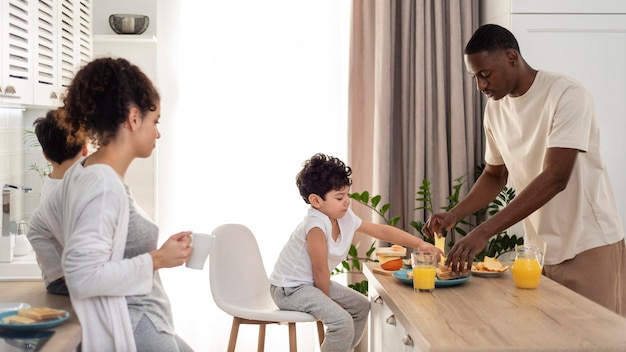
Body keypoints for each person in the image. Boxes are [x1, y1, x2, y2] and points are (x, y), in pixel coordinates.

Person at [423, 24, 626, 316]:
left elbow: (556, 177)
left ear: (512, 57)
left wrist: (484, 231)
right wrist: (455, 215)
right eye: (474, 77)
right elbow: (495, 175)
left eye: (484, 74)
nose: (480, 86)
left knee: (599, 342)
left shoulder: (567, 95)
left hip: (589, 245)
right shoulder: (495, 109)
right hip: (539, 251)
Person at [28, 57, 194, 351]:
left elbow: (39, 224)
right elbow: (82, 276)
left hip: (143, 322)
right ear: (133, 117)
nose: (158, 133)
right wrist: (158, 259)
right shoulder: (102, 184)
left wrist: (58, 279)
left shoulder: (81, 171)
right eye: (155, 121)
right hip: (134, 328)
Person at [270, 153, 442, 352]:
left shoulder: (344, 217)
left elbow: (381, 230)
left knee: (361, 306)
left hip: (310, 284)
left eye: (347, 195)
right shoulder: (315, 225)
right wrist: (328, 302)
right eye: (340, 197)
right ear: (316, 201)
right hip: (289, 288)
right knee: (342, 321)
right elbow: (319, 270)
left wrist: (419, 244)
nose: (347, 201)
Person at [29, 108, 88, 295]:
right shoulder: (75, 191)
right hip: (70, 283)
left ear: (45, 155)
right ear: (86, 148)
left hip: (62, 280)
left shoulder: (51, 187)